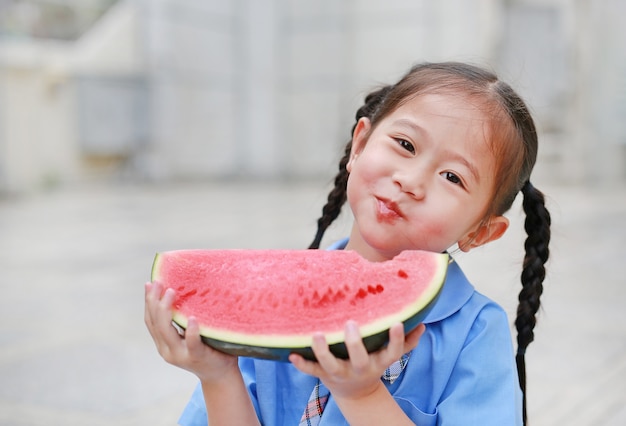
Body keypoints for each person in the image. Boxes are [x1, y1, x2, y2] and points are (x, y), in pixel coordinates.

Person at [145, 61, 551, 425]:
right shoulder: (273, 297)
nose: (410, 182)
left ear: (479, 232)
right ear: (360, 145)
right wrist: (217, 376)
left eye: (452, 177)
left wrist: (363, 394)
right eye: (405, 145)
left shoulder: (477, 335)